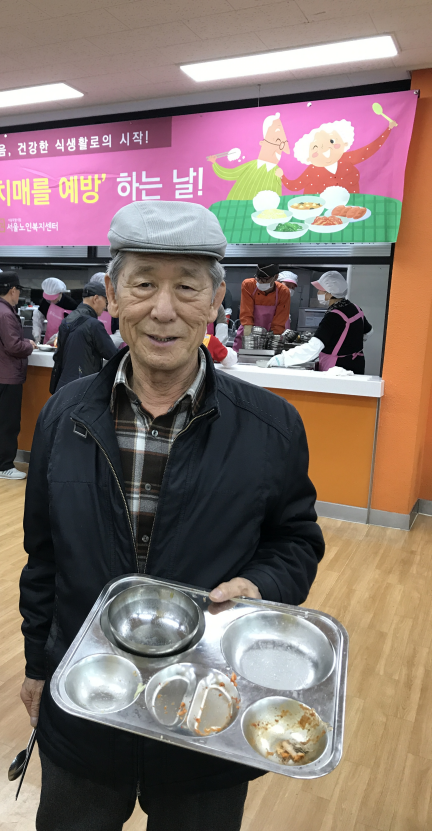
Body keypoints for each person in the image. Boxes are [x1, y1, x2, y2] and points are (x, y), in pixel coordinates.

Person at [19, 201, 324, 831]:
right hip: (87, 705)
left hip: (205, 717)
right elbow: (43, 555)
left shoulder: (271, 427)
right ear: (113, 295)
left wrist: (261, 584)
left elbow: (295, 540)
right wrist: (35, 666)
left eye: (186, 287)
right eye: (143, 285)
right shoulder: (64, 416)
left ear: (215, 301)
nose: (163, 310)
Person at [0, 271, 35, 481]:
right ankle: (3, 466)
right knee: (8, 422)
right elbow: (13, 346)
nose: (19, 294)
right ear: (12, 290)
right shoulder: (5, 313)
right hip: (8, 374)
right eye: (18, 290)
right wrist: (29, 346)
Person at [267, 270, 372, 374]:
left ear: (330, 293)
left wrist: (283, 358)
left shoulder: (333, 316)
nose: (318, 293)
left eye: (320, 290)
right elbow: (368, 332)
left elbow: (314, 347)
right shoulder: (355, 308)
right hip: (357, 365)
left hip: (338, 369)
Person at [277, 116, 397, 194]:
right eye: (316, 147)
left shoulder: (347, 158)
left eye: (332, 141)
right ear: (308, 157)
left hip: (350, 210)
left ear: (345, 143)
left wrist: (388, 129)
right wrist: (282, 176)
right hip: (318, 212)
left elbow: (370, 149)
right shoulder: (311, 170)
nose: (325, 148)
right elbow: (296, 186)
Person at [50, 280, 118, 393]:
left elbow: (59, 354)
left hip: (63, 387)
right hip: (83, 388)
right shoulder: (94, 325)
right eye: (105, 301)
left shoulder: (67, 320)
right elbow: (113, 355)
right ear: (96, 298)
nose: (106, 306)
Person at [207, 113, 289, 200]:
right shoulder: (250, 166)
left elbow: (278, 194)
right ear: (262, 143)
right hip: (238, 205)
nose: (278, 150)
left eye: (281, 146)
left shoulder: (277, 172)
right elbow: (230, 174)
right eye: (275, 142)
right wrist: (214, 163)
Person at [232, 263, 291, 351]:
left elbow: (279, 322)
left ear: (275, 277)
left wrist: (272, 343)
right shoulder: (248, 285)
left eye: (265, 279)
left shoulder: (283, 292)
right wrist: (248, 340)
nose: (260, 282)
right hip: (248, 332)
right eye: (258, 278)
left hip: (269, 334)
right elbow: (246, 313)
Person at [32, 277, 77, 343]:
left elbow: (72, 326)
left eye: (53, 298)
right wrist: (37, 331)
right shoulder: (46, 302)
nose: (51, 301)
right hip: (48, 342)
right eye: (48, 299)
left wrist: (60, 336)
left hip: (64, 343)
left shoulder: (71, 305)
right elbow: (39, 315)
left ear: (61, 293)